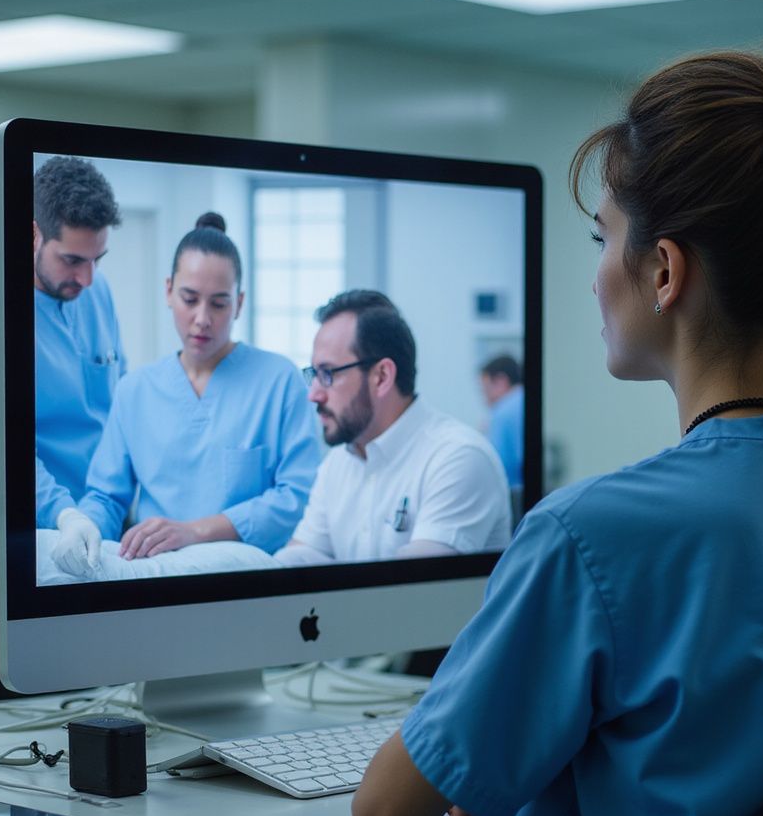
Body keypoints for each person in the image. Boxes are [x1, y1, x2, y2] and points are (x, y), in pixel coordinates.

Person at [180, 50, 763, 816]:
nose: (596, 275)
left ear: (664, 270)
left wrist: (494, 737)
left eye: (603, 239)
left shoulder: (591, 534)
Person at [52, 213, 319, 575]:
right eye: (189, 299)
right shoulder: (136, 390)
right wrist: (81, 528)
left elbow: (296, 497)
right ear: (168, 291)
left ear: (239, 303)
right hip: (158, 582)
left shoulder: (280, 380)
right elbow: (106, 497)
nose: (202, 318)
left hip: (251, 583)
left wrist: (193, 532)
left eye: (219, 303)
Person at [274, 290, 510, 566]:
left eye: (328, 374)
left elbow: (412, 596)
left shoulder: (458, 458)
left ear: (382, 376)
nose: (313, 394)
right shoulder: (337, 463)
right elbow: (302, 556)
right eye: (313, 375)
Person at [34, 155, 124, 530]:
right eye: (72, 260)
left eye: (97, 259)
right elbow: (13, 446)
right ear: (32, 233)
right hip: (48, 523)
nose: (87, 278)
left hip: (110, 511)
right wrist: (64, 514)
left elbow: (121, 405)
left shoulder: (96, 290)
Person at [479, 354, 524, 487]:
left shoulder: (502, 412)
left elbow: (495, 465)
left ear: (501, 381)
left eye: (485, 390)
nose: (485, 400)